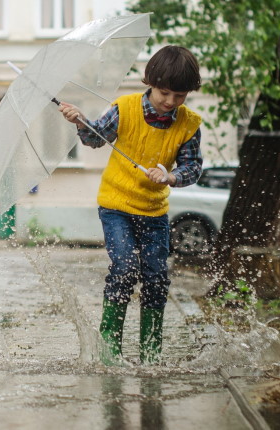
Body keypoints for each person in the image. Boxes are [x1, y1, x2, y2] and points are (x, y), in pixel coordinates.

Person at [58, 45, 203, 365]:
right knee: (124, 269)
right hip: (116, 206)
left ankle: (151, 354)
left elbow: (193, 168)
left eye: (180, 96)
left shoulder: (189, 124)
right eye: (165, 92)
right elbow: (95, 138)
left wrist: (172, 177)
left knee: (156, 278)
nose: (170, 102)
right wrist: (80, 121)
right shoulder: (124, 109)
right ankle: (110, 352)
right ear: (150, 83)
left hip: (154, 211)